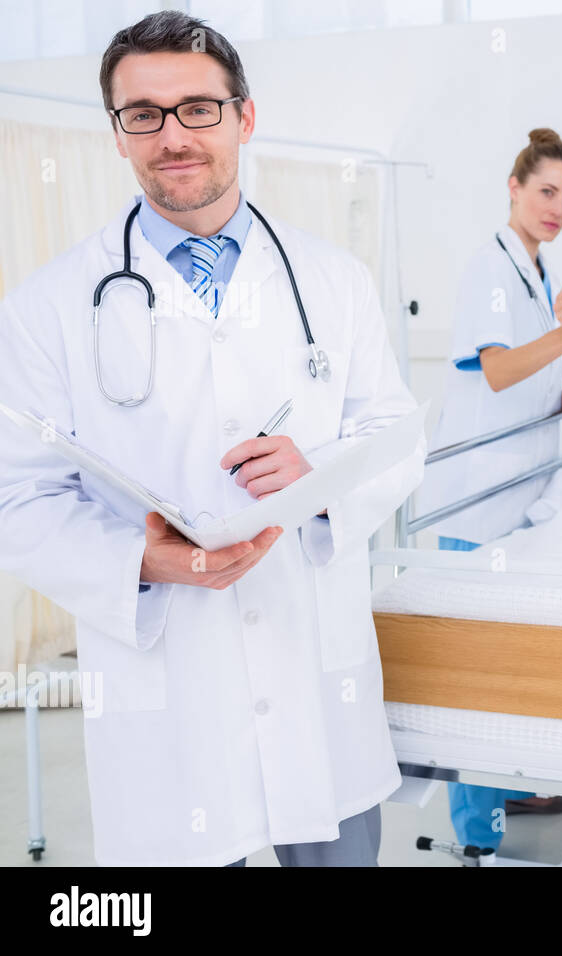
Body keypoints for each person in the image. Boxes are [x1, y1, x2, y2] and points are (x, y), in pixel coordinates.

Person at [0, 11, 426, 866]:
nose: (172, 136)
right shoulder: (48, 305)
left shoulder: (332, 280)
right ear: (118, 134)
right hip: (169, 686)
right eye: (143, 114)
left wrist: (319, 476)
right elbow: (21, 498)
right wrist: (143, 562)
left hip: (315, 670)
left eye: (197, 108)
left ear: (243, 116)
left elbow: (394, 436)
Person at [427, 128, 562, 850]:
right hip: (475, 496)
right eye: (546, 191)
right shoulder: (489, 269)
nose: (558, 207)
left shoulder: (534, 271)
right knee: (476, 669)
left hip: (514, 490)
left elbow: (516, 382)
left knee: (503, 655)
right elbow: (497, 369)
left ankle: (501, 790)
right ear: (514, 187)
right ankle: (477, 834)